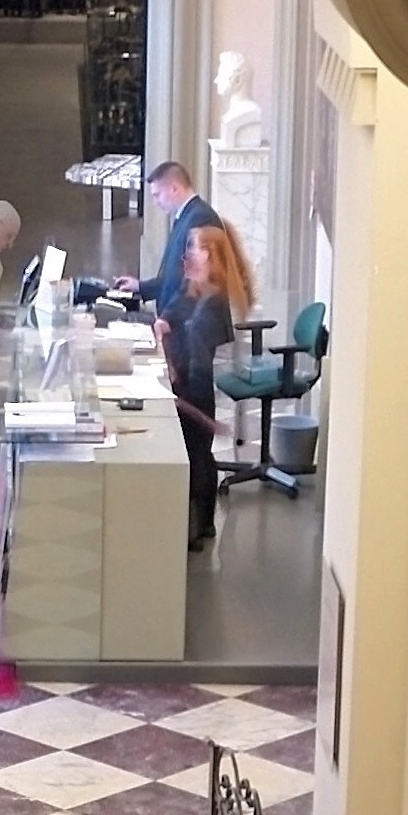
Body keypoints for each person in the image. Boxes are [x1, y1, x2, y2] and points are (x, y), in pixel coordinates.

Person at [161, 212, 255, 551]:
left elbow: (200, 365)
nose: (189, 254)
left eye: (196, 248)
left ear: (212, 256)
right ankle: (200, 523)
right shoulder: (195, 291)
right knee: (198, 453)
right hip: (189, 387)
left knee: (197, 453)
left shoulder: (214, 304)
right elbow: (172, 310)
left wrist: (180, 391)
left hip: (199, 391)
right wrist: (164, 323)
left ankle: (198, 527)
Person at [139, 160, 213, 324]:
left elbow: (196, 280)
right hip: (182, 320)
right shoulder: (186, 216)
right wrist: (140, 287)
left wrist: (168, 316)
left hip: (193, 324)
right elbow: (173, 276)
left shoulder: (200, 218)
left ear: (174, 188)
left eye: (157, 195)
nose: (156, 203)